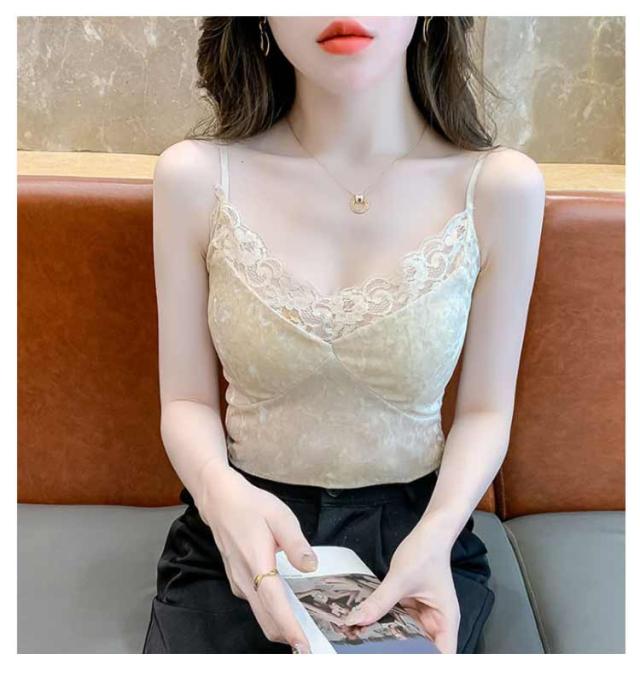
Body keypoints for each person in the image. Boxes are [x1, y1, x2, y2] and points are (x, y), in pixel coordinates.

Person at [143, 16, 545, 654]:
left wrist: (437, 533)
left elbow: (486, 411)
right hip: (242, 523)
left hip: (418, 537)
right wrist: (220, 497)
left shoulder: (499, 188)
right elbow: (187, 400)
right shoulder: (195, 177)